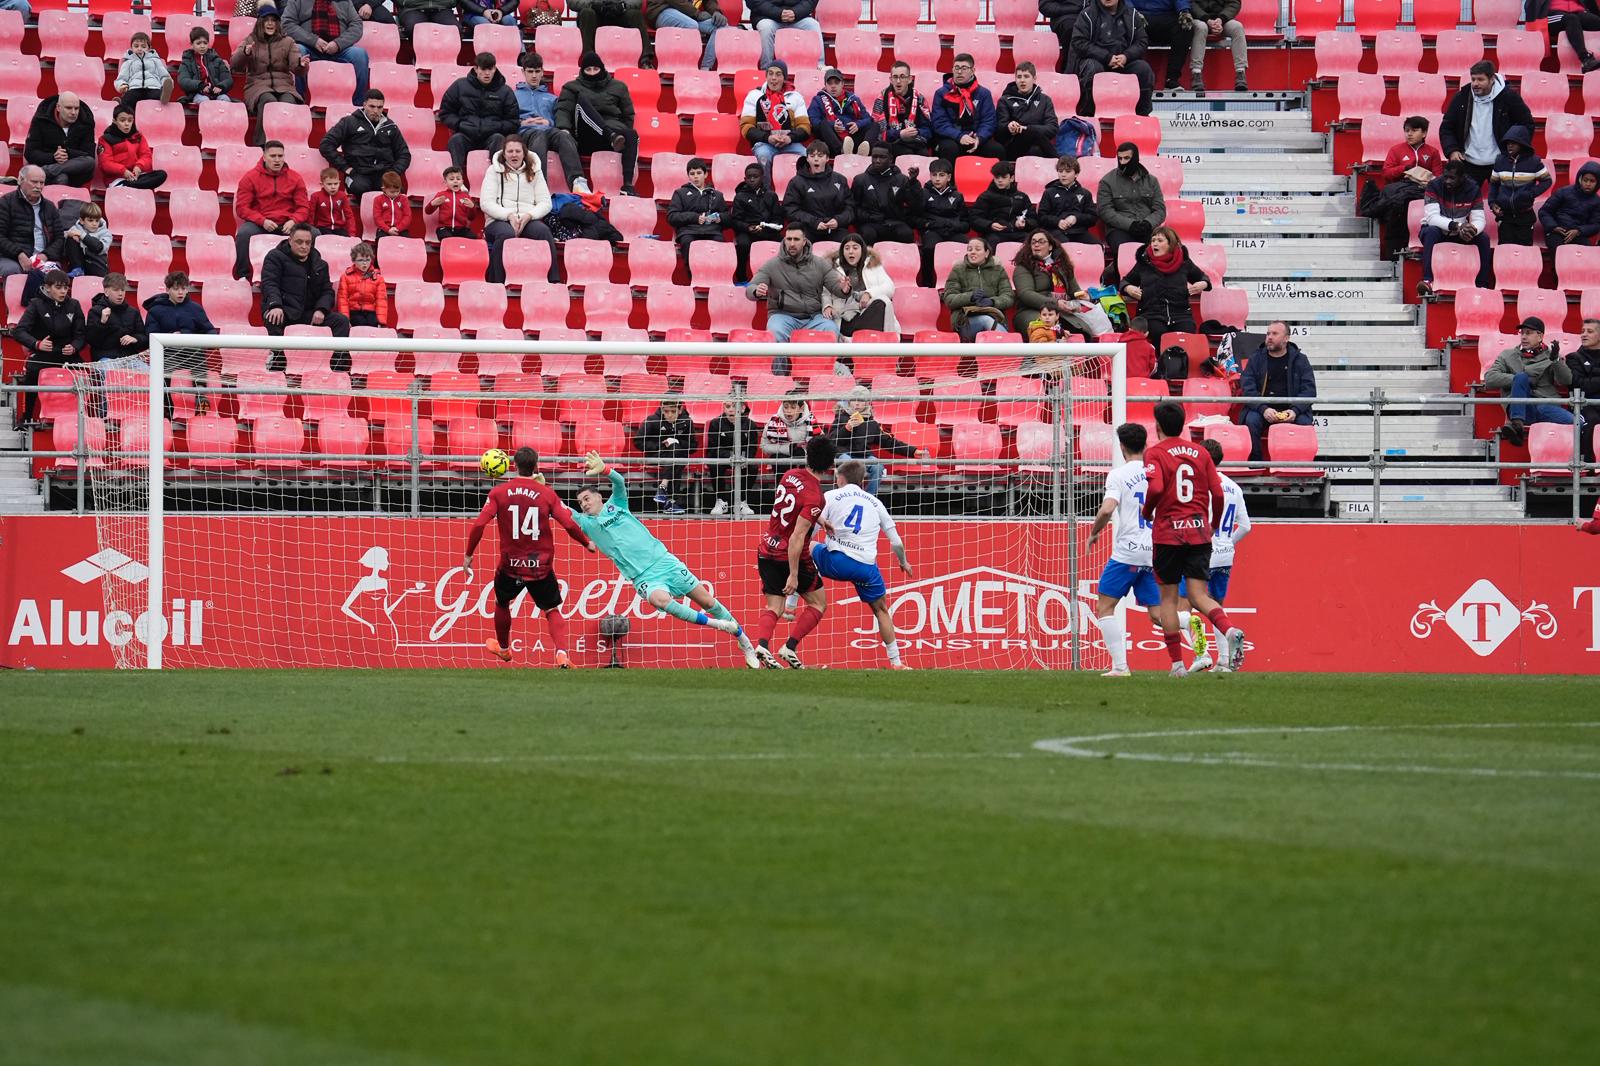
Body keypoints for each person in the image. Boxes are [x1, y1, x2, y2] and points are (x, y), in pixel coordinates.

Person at [574, 450, 762, 667]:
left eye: (587, 498)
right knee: (660, 600)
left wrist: (605, 469)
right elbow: (561, 510)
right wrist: (541, 489)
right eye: (580, 502)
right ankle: (717, 624)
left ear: (599, 497)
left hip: (664, 561)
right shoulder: (586, 523)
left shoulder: (617, 504)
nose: (584, 504)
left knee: (708, 602)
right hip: (642, 577)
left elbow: (619, 482)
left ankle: (744, 641)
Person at [463, 445, 595, 668]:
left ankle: (504, 650)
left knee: (502, 602)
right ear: (536, 466)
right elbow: (568, 523)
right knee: (551, 609)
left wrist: (468, 554)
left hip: (510, 566)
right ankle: (562, 654)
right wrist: (586, 542)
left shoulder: (498, 493)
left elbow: (479, 524)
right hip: (540, 566)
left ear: (513, 465)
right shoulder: (547, 493)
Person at [1141, 399, 1245, 675]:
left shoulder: (1155, 453)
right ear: (1183, 424)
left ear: (1158, 426)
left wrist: (1147, 511)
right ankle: (1229, 630)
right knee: (1199, 595)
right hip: (1199, 532)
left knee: (1168, 599)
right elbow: (1218, 493)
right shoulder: (1200, 452)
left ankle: (1177, 665)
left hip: (1168, 534)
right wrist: (1213, 524)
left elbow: (1156, 488)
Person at [810, 458, 914, 669]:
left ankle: (792, 603)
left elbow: (812, 528)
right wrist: (903, 562)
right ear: (861, 480)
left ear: (841, 478)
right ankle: (897, 662)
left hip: (837, 562)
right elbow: (896, 542)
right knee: (881, 610)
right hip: (866, 568)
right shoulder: (875, 503)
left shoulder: (830, 496)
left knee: (807, 547)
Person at [750, 434, 836, 668]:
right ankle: (789, 647)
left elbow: (792, 507)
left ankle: (762, 646)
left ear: (807, 456)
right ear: (830, 464)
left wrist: (819, 519)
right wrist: (794, 575)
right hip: (789, 555)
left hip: (767, 547)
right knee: (818, 604)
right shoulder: (816, 496)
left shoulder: (789, 475)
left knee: (774, 607)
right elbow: (798, 536)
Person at [1085, 422, 1162, 677]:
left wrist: (1094, 532)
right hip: (1153, 551)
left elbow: (1107, 509)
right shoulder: (1158, 473)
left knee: (1105, 607)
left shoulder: (1118, 475)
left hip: (1128, 552)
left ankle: (1120, 667)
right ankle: (1189, 622)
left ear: (1121, 447)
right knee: (1157, 614)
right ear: (1146, 445)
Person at [1179, 437, 1249, 673]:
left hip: (1201, 552)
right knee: (1216, 606)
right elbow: (1246, 526)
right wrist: (1228, 543)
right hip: (1225, 555)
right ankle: (1224, 661)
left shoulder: (1198, 485)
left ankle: (1201, 653)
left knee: (1184, 606)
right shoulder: (1234, 487)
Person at [747, 223, 850, 348]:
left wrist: (844, 289)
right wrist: (755, 291)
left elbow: (836, 287)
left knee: (831, 329)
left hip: (814, 317)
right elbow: (750, 288)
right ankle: (780, 362)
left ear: (804, 241)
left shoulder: (819, 264)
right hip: (782, 316)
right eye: (789, 239)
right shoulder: (772, 265)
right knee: (775, 331)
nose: (792, 243)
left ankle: (822, 362)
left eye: (796, 239)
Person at [1356, 115, 1442, 260]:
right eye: (1407, 131)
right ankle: (1393, 257)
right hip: (1400, 194)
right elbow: (1386, 174)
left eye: (1414, 130)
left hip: (1422, 192)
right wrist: (1404, 169)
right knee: (1397, 208)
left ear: (1424, 133)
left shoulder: (1432, 152)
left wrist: (1426, 178)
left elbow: (1438, 178)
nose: (1409, 134)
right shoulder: (1396, 150)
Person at [555, 52, 641, 197]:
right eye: (588, 70)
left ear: (602, 68)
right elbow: (563, 109)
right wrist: (563, 128)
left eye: (595, 69)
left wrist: (623, 130)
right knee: (582, 102)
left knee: (632, 135)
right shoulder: (572, 87)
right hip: (586, 136)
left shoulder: (619, 86)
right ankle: (611, 135)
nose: (592, 73)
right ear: (582, 71)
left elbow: (628, 115)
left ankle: (627, 185)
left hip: (613, 139)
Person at [1439, 60, 1534, 189]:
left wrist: (1514, 151)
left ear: (1492, 79)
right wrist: (1452, 150)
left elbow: (1527, 124)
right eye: (1473, 79)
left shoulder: (1509, 97)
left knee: (1504, 201)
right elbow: (1446, 127)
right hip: (1468, 163)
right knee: (1464, 200)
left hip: (1501, 163)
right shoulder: (1462, 97)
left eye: (1480, 79)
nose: (1475, 83)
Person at [1483, 316, 1575, 447]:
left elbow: (1566, 380)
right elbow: (1490, 378)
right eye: (1522, 333)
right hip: (1522, 409)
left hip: (1546, 405)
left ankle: (1516, 429)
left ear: (1540, 336)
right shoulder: (1507, 355)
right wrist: (1518, 380)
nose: (1524, 337)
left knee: (1577, 423)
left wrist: (1555, 360)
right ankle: (1517, 424)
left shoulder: (1551, 355)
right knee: (1521, 377)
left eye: (1528, 333)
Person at [480, 139, 559, 284]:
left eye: (518, 151)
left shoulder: (535, 171)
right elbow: (486, 203)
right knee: (506, 234)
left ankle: (553, 281)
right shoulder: (493, 171)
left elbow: (545, 202)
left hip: (526, 219)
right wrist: (508, 215)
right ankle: (496, 282)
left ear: (524, 153)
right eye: (510, 151)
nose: (514, 154)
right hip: (498, 220)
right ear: (504, 154)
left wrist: (529, 215)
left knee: (543, 232)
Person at [14, 269, 87, 424]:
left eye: (66, 287)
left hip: (68, 355)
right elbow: (19, 331)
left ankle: (82, 418)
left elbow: (81, 335)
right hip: (43, 353)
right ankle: (26, 417)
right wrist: (37, 344)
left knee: (85, 374)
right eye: (58, 287)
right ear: (47, 287)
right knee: (32, 370)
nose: (63, 291)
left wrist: (74, 347)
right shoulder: (36, 304)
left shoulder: (74, 305)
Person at [1237, 320, 1316, 461]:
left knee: (1305, 423)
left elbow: (1309, 391)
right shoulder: (1256, 358)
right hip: (1263, 409)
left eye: (1274, 334)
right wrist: (1263, 409)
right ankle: (1256, 464)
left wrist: (1295, 411)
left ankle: (1300, 465)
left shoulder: (1301, 360)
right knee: (1251, 420)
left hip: (1292, 410)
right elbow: (1247, 388)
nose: (1269, 337)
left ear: (1286, 338)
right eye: (1268, 334)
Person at [1012, 229, 1114, 337]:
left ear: (1050, 246)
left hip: (1062, 310)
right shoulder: (1023, 267)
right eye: (1033, 242)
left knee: (1080, 332)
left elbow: (1074, 291)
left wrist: (1082, 296)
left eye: (1041, 242)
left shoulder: (1063, 266)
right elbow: (1025, 294)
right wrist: (1056, 303)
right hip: (1032, 310)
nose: (1036, 245)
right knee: (1045, 331)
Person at [513, 52, 589, 195]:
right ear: (523, 72)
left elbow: (559, 119)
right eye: (530, 72)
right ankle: (538, 183)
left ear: (542, 72)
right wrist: (521, 122)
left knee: (563, 135)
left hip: (548, 131)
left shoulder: (552, 98)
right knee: (539, 135)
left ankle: (577, 181)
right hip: (525, 133)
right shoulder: (513, 95)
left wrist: (549, 121)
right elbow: (507, 118)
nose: (534, 76)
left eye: (537, 71)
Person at [233, 140, 311, 280]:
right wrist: (262, 221)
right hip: (261, 223)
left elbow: (303, 207)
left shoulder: (296, 178)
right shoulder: (250, 178)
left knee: (314, 234)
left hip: (288, 224)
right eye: (273, 156)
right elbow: (242, 208)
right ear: (264, 157)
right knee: (244, 234)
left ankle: (308, 274)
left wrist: (293, 221)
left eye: (280, 156)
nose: (277, 160)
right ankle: (243, 276)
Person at [1416, 158, 1493, 298]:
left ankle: (1482, 285)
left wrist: (1472, 230)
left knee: (1483, 238)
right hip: (1438, 230)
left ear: (1462, 178)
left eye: (1452, 178)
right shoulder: (1434, 186)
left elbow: (1479, 219)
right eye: (1445, 177)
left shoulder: (1473, 189)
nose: (1447, 181)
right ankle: (1428, 281)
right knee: (1431, 231)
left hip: (1460, 233)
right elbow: (1432, 218)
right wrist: (1458, 226)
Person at [1120, 225, 1207, 348]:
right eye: (1153, 240)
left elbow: (1203, 278)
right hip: (1151, 314)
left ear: (1171, 244)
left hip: (1181, 313)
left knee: (1186, 333)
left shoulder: (1184, 262)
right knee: (1158, 333)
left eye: (1160, 240)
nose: (1154, 244)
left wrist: (1203, 283)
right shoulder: (1144, 263)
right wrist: (1128, 288)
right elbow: (1124, 282)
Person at [827, 386, 925, 495]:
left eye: (861, 400)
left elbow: (888, 442)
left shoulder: (872, 423)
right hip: (844, 455)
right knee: (849, 463)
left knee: (878, 466)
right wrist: (847, 428)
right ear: (849, 402)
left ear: (867, 403)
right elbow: (832, 440)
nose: (857, 404)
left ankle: (870, 497)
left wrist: (913, 451)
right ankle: (849, 495)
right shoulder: (841, 418)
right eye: (854, 400)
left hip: (864, 456)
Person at [261, 223, 353, 337]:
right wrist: (275, 305)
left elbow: (327, 291)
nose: (304, 246)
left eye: (308, 242)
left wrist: (321, 309)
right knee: (273, 317)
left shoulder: (320, 264)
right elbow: (270, 284)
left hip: (309, 313)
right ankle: (277, 350)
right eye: (299, 242)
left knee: (341, 321)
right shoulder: (275, 257)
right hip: (285, 310)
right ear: (290, 241)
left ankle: (335, 350)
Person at [320, 89, 413, 199]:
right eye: (372, 106)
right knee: (361, 188)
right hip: (358, 173)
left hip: (383, 173)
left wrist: (393, 172)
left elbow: (404, 154)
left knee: (393, 190)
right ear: (364, 105)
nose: (376, 111)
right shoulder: (349, 122)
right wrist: (345, 168)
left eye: (379, 107)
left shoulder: (390, 126)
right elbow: (326, 145)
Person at [231, 4, 308, 135]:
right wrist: (245, 53)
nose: (270, 23)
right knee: (268, 101)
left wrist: (301, 65)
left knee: (288, 101)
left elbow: (298, 69)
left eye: (273, 20)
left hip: (284, 86)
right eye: (266, 20)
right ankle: (263, 142)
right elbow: (235, 64)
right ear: (260, 23)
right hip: (257, 86)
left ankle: (287, 139)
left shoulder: (288, 42)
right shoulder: (251, 40)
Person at [1073, 0, 1156, 117]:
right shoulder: (1086, 15)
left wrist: (1126, 56)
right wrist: (1107, 57)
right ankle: (1089, 115)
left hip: (1124, 61)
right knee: (1092, 69)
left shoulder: (1132, 15)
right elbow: (1079, 42)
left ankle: (1141, 116)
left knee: (1143, 69)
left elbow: (1142, 41)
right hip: (1097, 60)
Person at [281, 0, 369, 108]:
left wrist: (338, 44)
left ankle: (357, 105)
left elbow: (357, 25)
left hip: (339, 49)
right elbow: (287, 24)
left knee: (360, 55)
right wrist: (313, 40)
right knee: (298, 51)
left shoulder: (345, 1)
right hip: (309, 47)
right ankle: (299, 102)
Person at [441, 54, 521, 171]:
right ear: (476, 69)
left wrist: (496, 126)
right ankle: (456, 177)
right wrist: (460, 124)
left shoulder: (505, 91)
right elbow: (445, 112)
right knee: (455, 140)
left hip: (492, 135)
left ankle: (498, 175)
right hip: (466, 133)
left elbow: (513, 121)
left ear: (494, 69)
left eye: (490, 69)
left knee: (499, 139)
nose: (487, 73)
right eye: (483, 69)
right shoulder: (459, 86)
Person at [1098, 141, 1165, 274]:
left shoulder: (1152, 181)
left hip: (1147, 227)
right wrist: (1130, 225)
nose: (1123, 162)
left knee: (1162, 247)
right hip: (1119, 229)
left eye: (1127, 158)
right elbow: (1105, 211)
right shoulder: (1107, 181)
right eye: (1120, 158)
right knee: (1124, 251)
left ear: (1135, 158)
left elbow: (1160, 209)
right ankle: (1122, 279)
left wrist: (1148, 223)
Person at [740, 60, 812, 176]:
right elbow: (746, 127)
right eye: (770, 74)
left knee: (807, 156)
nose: (773, 78)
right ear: (766, 76)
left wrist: (789, 138)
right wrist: (768, 138)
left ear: (784, 78)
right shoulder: (754, 95)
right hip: (764, 143)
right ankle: (765, 187)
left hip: (790, 143)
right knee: (763, 155)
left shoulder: (796, 97)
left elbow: (805, 127)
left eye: (778, 74)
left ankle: (802, 187)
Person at [631, 397, 698, 515]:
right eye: (666, 411)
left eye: (673, 411)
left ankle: (663, 488)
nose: (670, 415)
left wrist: (677, 441)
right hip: (656, 456)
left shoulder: (687, 422)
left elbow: (693, 447)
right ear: (662, 409)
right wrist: (661, 445)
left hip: (677, 457)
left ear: (680, 410)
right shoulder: (652, 420)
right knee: (678, 457)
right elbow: (638, 442)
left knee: (677, 453)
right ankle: (670, 500)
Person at [1487, 126, 1551, 247]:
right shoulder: (1500, 161)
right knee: (1505, 250)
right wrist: (1492, 203)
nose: (1509, 146)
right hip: (1505, 216)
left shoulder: (1534, 162)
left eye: (1513, 143)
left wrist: (1530, 194)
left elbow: (1547, 180)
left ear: (1522, 144)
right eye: (1507, 143)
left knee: (1525, 251)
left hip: (1525, 215)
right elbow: (1494, 184)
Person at [930, 53, 1002, 161]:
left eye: (964, 68)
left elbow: (989, 121)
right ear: (952, 69)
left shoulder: (984, 93)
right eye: (956, 68)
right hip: (951, 138)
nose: (959, 72)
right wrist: (959, 136)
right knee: (949, 148)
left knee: (997, 150)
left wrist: (979, 138)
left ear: (973, 70)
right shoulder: (941, 93)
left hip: (976, 138)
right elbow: (939, 123)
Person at [825, 234, 898, 337]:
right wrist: (827, 306)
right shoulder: (833, 268)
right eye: (847, 248)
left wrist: (869, 293)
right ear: (842, 251)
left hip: (868, 313)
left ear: (862, 250)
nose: (851, 251)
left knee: (883, 301)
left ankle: (866, 340)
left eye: (855, 248)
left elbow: (889, 287)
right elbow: (824, 291)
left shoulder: (872, 265)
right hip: (845, 318)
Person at [943, 236, 1015, 340]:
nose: (972, 252)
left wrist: (992, 302)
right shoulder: (958, 270)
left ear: (986, 253)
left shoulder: (998, 270)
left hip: (994, 317)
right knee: (986, 320)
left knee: (989, 321)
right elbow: (949, 299)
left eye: (977, 249)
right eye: (970, 249)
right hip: (965, 321)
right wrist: (970, 297)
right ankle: (1010, 347)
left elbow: (1008, 297)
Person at [783, 142, 853, 243]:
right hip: (808, 228)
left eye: (820, 156)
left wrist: (838, 220)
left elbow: (850, 207)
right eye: (812, 156)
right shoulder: (796, 182)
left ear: (827, 158)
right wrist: (814, 222)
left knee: (849, 244)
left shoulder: (840, 179)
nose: (816, 159)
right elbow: (790, 209)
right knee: (799, 243)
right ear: (807, 159)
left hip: (836, 229)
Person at [915, 157, 969, 286]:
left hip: (953, 230)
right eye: (934, 175)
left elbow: (966, 223)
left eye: (941, 175)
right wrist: (929, 224)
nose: (937, 179)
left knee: (966, 247)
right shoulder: (923, 194)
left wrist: (954, 226)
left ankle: (964, 283)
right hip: (933, 230)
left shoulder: (957, 196)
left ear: (949, 177)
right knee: (930, 248)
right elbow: (915, 218)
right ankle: (928, 283)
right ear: (930, 176)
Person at [0, 167, 61, 280]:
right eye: (34, 182)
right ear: (21, 180)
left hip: (44, 258)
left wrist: (45, 255)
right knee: (13, 271)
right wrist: (19, 254)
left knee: (56, 276)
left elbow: (59, 239)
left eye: (42, 183)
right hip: (12, 257)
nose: (38, 186)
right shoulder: (5, 203)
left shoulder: (50, 207)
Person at [23, 93, 97, 188]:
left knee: (90, 162)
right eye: (68, 108)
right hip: (47, 167)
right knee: (62, 178)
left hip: (74, 172)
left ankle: (46, 171)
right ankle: (47, 172)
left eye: (76, 108)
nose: (73, 112)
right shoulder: (41, 120)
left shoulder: (86, 122)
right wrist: (53, 157)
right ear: (58, 107)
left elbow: (89, 154)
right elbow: (30, 152)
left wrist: (67, 153)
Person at [851, 145, 919, 245]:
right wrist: (869, 216)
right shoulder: (860, 180)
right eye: (874, 157)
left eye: (882, 157)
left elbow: (914, 205)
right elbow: (853, 206)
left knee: (906, 234)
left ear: (891, 159)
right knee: (868, 234)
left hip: (895, 222)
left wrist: (913, 183)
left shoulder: (902, 179)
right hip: (870, 223)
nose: (877, 161)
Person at [730, 160, 783, 283]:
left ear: (762, 178)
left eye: (755, 176)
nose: (752, 179)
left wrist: (769, 226)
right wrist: (748, 227)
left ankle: (783, 278)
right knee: (742, 244)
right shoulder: (740, 196)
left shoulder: (771, 195)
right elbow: (735, 221)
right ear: (745, 179)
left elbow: (778, 218)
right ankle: (741, 277)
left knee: (786, 244)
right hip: (747, 232)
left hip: (767, 231)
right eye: (749, 177)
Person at [706, 399, 760, 516]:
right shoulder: (716, 423)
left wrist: (745, 458)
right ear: (724, 408)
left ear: (743, 408)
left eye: (735, 406)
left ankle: (741, 502)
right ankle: (721, 501)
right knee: (714, 465)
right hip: (722, 458)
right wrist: (730, 456)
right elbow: (713, 448)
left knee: (752, 467)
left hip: (742, 458)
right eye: (728, 406)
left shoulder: (750, 425)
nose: (731, 409)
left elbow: (752, 448)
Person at [667, 156, 728, 260]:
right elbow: (672, 216)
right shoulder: (680, 193)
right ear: (688, 176)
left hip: (712, 231)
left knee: (719, 242)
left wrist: (719, 218)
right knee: (687, 242)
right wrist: (695, 218)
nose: (695, 176)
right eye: (692, 174)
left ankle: (715, 270)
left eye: (699, 173)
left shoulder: (717, 195)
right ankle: (691, 271)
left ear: (705, 174)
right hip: (688, 231)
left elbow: (728, 217)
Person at [996, 62, 1059, 160]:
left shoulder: (1045, 100)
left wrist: (1027, 128)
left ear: (1034, 79)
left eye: (1026, 76)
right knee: (1032, 133)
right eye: (1019, 77)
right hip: (1014, 146)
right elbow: (998, 129)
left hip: (1039, 144)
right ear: (1015, 79)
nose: (1022, 80)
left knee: (1035, 148)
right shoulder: (1005, 100)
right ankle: (1059, 161)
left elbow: (1052, 128)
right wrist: (1009, 127)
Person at [808, 68, 876, 158]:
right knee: (823, 124)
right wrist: (832, 125)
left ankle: (864, 150)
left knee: (875, 125)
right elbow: (813, 121)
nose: (833, 86)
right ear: (825, 85)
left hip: (851, 136)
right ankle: (841, 151)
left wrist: (858, 124)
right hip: (832, 140)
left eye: (836, 83)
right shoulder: (818, 100)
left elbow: (868, 119)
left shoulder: (854, 99)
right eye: (830, 83)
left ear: (842, 84)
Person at [870, 61, 933, 158]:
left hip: (915, 141)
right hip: (891, 143)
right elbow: (878, 131)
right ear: (891, 80)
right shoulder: (882, 98)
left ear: (909, 79)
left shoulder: (919, 99)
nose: (898, 81)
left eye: (902, 77)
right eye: (895, 77)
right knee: (906, 152)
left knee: (923, 154)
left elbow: (928, 129)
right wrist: (899, 134)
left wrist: (917, 132)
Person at [96, 104, 167, 190]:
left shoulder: (138, 136)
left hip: (136, 176)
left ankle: (132, 186)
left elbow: (146, 156)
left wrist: (139, 167)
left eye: (130, 121)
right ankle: (130, 186)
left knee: (161, 174)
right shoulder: (105, 139)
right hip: (116, 179)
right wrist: (123, 171)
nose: (127, 124)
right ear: (114, 121)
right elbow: (105, 164)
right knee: (130, 184)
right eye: (122, 120)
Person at [972, 160, 1038, 247]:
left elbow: (1034, 219)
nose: (1000, 180)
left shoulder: (1022, 197)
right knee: (991, 241)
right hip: (994, 234)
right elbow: (975, 219)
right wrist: (990, 225)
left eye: (1004, 177)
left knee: (1031, 241)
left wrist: (1025, 223)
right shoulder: (985, 196)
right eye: (997, 177)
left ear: (1012, 178)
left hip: (1017, 232)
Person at [1187, 0, 1247, 94]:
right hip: (1198, 18)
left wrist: (1221, 20)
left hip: (1222, 20)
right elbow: (1190, 3)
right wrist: (1207, 19)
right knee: (1201, 28)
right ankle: (1196, 73)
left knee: (1237, 27)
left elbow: (1234, 3)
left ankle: (1240, 73)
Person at [1538, 160, 1600, 251]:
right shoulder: (1563, 192)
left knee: (1586, 251)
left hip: (1577, 234)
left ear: (1597, 183)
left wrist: (1579, 231)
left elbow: (1595, 225)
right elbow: (1544, 211)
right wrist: (1553, 227)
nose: (1588, 184)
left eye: (1592, 181)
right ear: (1580, 179)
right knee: (1559, 250)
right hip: (1556, 232)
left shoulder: (1597, 201)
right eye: (1585, 180)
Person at [570, 0, 653, 68]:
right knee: (587, 13)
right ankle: (588, 60)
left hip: (618, 12)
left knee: (636, 15)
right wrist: (592, 5)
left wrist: (623, 6)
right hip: (594, 12)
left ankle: (645, 60)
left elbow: (637, 1)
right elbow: (573, 2)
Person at [647, 0, 725, 71]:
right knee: (691, 25)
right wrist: (696, 13)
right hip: (662, 10)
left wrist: (716, 12)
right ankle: (683, 68)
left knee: (720, 27)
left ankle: (705, 69)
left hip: (689, 14)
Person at [1131, 0, 1192, 91]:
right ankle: (1135, 79)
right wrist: (1133, 12)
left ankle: (1171, 79)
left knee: (1185, 28)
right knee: (1131, 26)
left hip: (1166, 15)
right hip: (1139, 15)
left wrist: (1184, 10)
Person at [86, 273, 148, 362]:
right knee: (111, 371)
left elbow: (144, 338)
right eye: (116, 290)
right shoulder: (95, 311)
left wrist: (136, 339)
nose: (120, 294)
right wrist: (102, 322)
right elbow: (91, 340)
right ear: (106, 292)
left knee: (147, 371)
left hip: (130, 358)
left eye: (123, 290)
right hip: (105, 358)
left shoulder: (133, 312)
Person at [1038, 154, 1098, 245]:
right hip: (1055, 231)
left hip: (1079, 231)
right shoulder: (1049, 192)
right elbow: (1042, 217)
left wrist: (1076, 218)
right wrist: (1057, 222)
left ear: (1076, 174)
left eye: (1068, 171)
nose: (1063, 175)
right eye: (1060, 171)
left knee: (1097, 246)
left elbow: (1092, 218)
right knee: (1066, 245)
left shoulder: (1085, 193)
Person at [46, 202, 112, 278]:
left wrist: (82, 235)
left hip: (97, 266)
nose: (94, 224)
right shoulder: (76, 228)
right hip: (81, 263)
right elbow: (63, 236)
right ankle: (77, 269)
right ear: (82, 221)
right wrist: (70, 234)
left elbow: (99, 247)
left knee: (92, 245)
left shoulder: (106, 233)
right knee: (71, 238)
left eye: (97, 220)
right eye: (90, 220)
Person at [749, 0, 819, 71]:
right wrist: (778, 13)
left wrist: (796, 12)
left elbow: (811, 1)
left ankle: (819, 66)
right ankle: (766, 69)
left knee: (813, 25)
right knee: (765, 28)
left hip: (798, 17)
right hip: (767, 17)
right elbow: (754, 2)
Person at [1566, 317, 1600, 462]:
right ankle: (1589, 465)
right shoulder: (1573, 358)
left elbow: (1587, 383)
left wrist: (1592, 376)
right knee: (1591, 420)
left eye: (1589, 331)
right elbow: (1579, 385)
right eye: (1582, 331)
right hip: (1583, 404)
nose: (1584, 334)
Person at [113, 31, 176, 107]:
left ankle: (164, 96)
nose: (139, 49)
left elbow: (164, 75)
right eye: (136, 46)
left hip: (153, 87)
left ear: (149, 48)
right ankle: (122, 106)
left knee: (156, 96)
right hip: (135, 87)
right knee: (129, 98)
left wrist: (166, 83)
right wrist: (122, 85)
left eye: (143, 46)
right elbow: (121, 78)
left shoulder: (155, 60)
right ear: (132, 48)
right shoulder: (128, 62)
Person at [1536, 0, 1600, 73]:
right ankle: (1586, 59)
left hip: (1577, 13)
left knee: (1594, 21)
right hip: (1551, 15)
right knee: (1571, 19)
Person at [177, 26, 235, 103]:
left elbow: (228, 79)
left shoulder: (216, 60)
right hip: (197, 93)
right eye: (198, 43)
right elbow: (183, 80)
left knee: (225, 99)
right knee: (205, 101)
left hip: (216, 94)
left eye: (205, 43)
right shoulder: (187, 61)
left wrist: (221, 86)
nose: (202, 46)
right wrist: (199, 85)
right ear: (192, 44)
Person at [336, 241, 388, 327]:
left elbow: (381, 301)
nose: (364, 263)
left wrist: (381, 322)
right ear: (354, 260)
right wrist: (345, 320)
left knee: (373, 323)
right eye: (360, 260)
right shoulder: (345, 277)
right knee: (359, 322)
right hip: (353, 311)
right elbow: (342, 300)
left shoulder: (378, 278)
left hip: (371, 312)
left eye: (367, 260)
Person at [427, 165, 482, 238]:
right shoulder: (441, 195)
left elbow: (471, 217)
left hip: (461, 228)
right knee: (446, 237)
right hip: (444, 228)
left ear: (462, 182)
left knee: (473, 237)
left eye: (458, 179)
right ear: (445, 182)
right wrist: (432, 204)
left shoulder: (466, 196)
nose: (455, 181)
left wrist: (472, 207)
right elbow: (428, 211)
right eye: (452, 179)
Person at [761, 388, 815, 461]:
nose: (789, 411)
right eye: (786, 407)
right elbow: (764, 447)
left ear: (801, 409)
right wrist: (789, 449)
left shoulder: (811, 422)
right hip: (781, 462)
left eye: (793, 407)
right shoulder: (773, 421)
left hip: (804, 461)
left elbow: (819, 446)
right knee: (779, 457)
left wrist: (803, 451)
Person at [310, 166, 359, 237]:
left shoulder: (342, 196)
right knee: (329, 239)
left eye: (336, 184)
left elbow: (349, 215)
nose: (333, 187)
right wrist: (311, 231)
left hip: (339, 227)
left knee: (346, 239)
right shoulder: (315, 196)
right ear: (322, 184)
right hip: (322, 227)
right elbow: (311, 215)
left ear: (339, 183)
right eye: (329, 184)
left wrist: (352, 234)